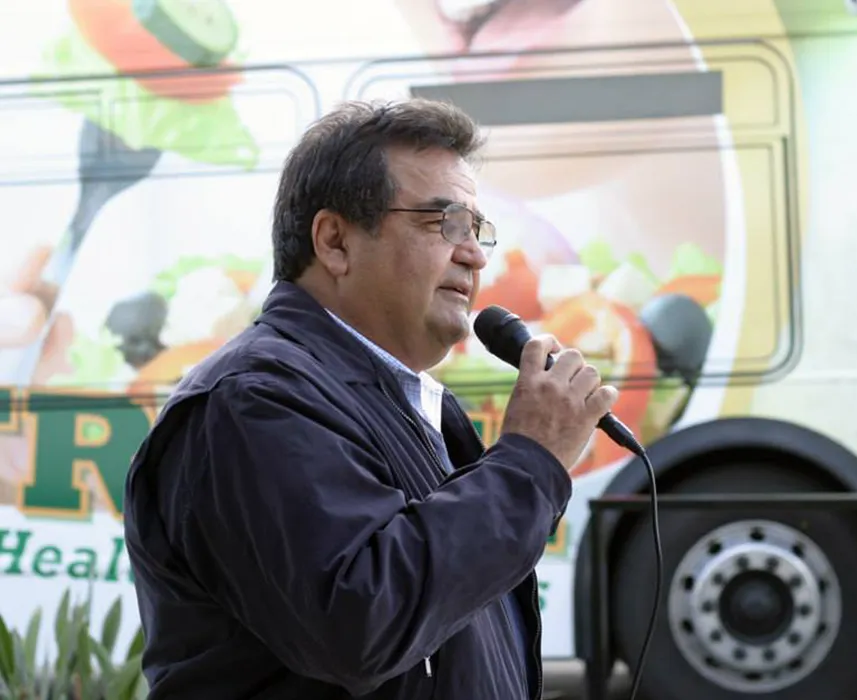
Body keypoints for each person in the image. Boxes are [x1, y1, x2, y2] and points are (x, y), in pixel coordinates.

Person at [122, 97, 620, 699]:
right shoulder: (252, 401)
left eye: (477, 229)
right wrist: (528, 464)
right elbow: (361, 623)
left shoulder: (407, 401)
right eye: (444, 224)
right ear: (334, 242)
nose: (476, 254)